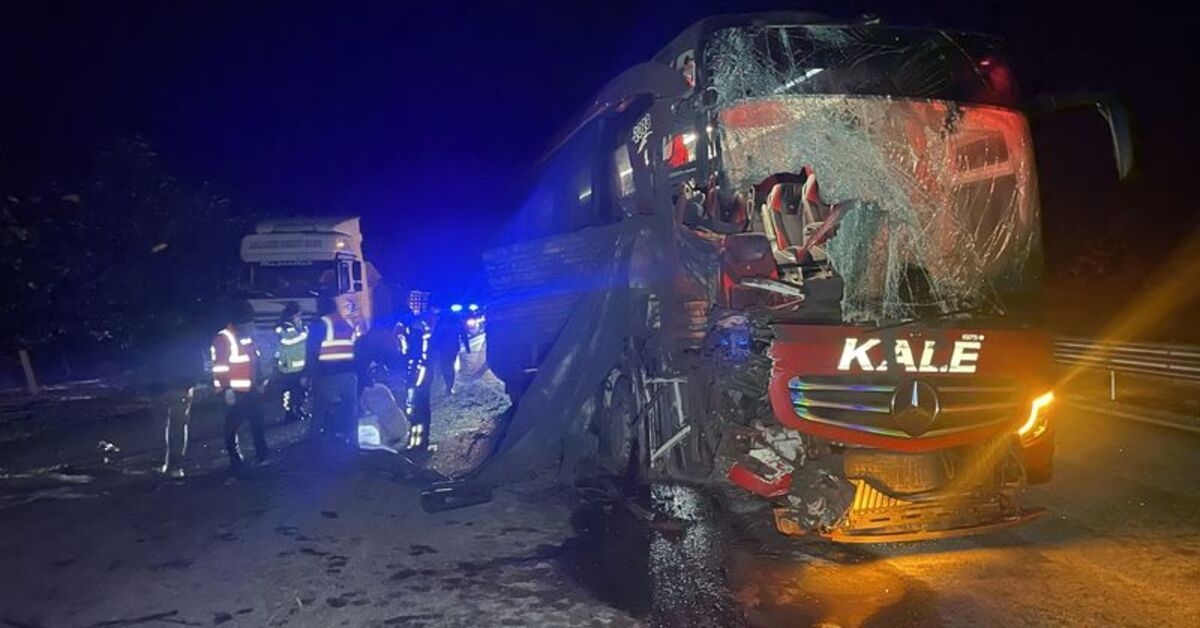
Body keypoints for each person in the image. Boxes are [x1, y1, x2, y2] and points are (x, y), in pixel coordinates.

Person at [210, 301, 270, 472]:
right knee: (231, 430)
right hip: (235, 393)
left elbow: (255, 360)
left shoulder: (246, 335)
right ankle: (236, 462)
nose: (252, 325)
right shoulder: (224, 338)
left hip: (250, 391)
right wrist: (227, 389)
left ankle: (262, 456)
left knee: (257, 424)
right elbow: (220, 366)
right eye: (249, 322)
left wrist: (261, 382)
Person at [306, 297, 360, 444]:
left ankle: (313, 444)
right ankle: (353, 443)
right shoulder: (348, 323)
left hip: (327, 375)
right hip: (349, 374)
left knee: (320, 410)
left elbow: (311, 351)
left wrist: (309, 375)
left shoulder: (320, 323)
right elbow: (356, 348)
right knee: (351, 411)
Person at [274, 301, 309, 423]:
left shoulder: (298, 325)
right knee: (289, 391)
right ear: (292, 314)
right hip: (288, 366)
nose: (299, 317)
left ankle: (298, 409)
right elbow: (287, 341)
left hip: (300, 365)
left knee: (301, 390)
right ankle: (289, 413)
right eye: (298, 314)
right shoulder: (283, 327)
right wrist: (304, 335)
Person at [429, 305, 471, 396]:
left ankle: (448, 385)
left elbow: (435, 335)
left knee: (445, 366)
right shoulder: (456, 322)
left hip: (444, 348)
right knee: (449, 366)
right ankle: (449, 386)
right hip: (452, 348)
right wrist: (467, 347)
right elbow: (464, 335)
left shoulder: (441, 322)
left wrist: (432, 347)